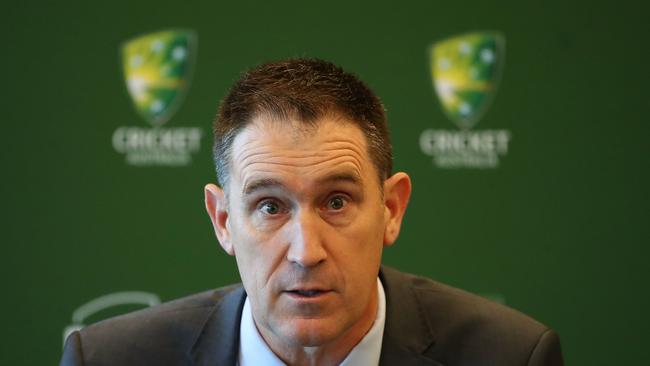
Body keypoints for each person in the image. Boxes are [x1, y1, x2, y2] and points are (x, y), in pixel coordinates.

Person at [60, 58, 564, 366]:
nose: (306, 252)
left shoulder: (510, 357)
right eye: (270, 206)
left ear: (391, 208)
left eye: (337, 202)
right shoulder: (109, 360)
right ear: (223, 220)